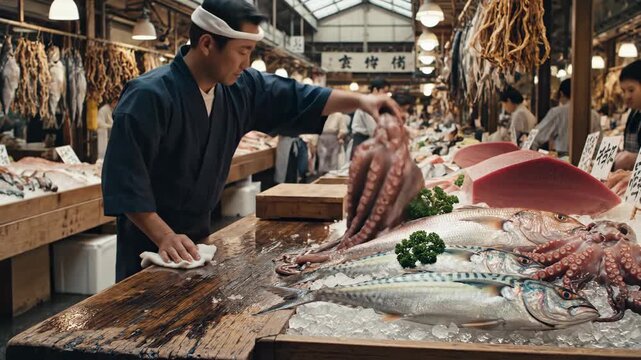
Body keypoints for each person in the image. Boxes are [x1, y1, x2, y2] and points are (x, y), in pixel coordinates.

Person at [102, 0, 402, 281]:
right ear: (207, 43)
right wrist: (164, 236)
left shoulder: (240, 89)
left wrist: (362, 101)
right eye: (243, 51)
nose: (247, 63)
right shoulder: (149, 95)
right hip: (148, 247)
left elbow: (296, 97)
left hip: (200, 245)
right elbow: (125, 176)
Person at [531, 79, 601, 156]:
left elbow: (535, 136)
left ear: (561, 94)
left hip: (563, 161)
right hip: (587, 162)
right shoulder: (594, 114)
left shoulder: (557, 112)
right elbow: (598, 144)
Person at [350, 78, 391, 158]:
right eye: (384, 92)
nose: (385, 95)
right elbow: (372, 129)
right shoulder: (368, 102)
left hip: (369, 140)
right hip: (362, 141)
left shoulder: (375, 103)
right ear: (375, 89)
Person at [614, 60, 641, 171]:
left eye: (631, 90)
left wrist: (635, 159)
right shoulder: (633, 113)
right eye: (623, 91)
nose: (626, 96)